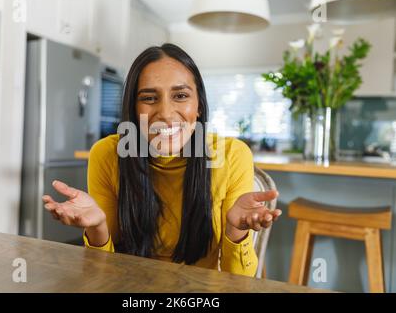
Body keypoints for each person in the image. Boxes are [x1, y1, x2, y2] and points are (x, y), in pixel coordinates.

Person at [42, 43, 281, 277]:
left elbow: (238, 281)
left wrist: (236, 231)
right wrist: (96, 228)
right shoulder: (107, 154)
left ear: (198, 105)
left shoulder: (231, 155)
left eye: (180, 95)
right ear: (134, 109)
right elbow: (101, 273)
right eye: (149, 98)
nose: (166, 114)